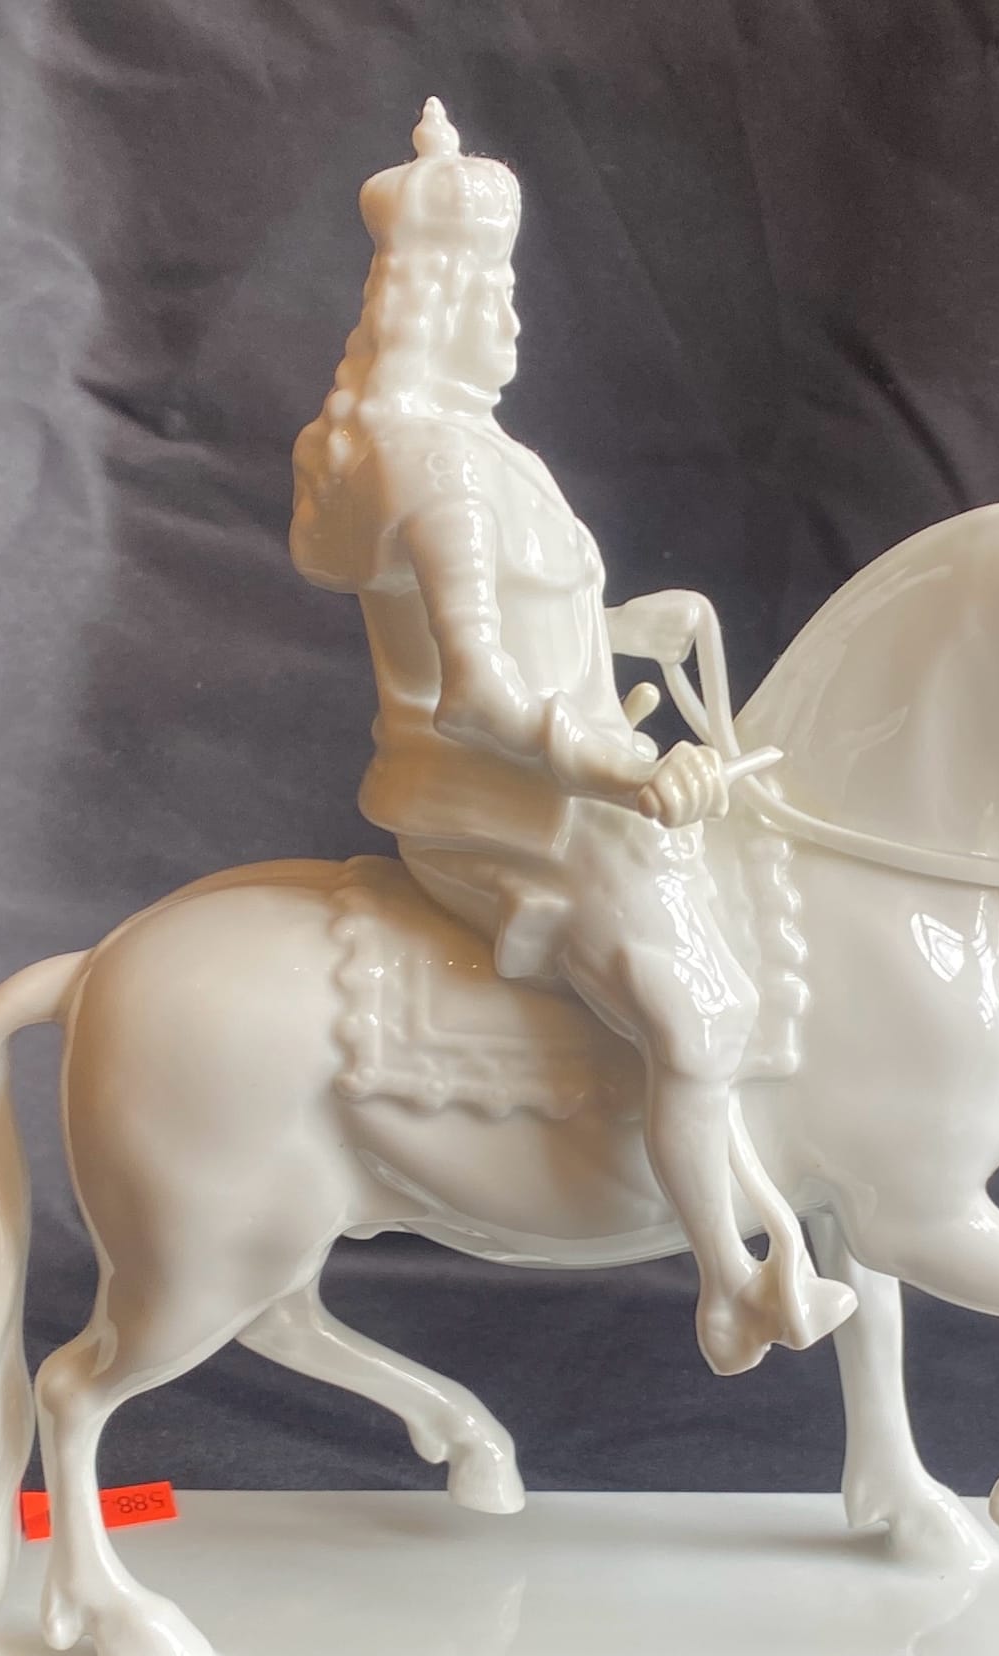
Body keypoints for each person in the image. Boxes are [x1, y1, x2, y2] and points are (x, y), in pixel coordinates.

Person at [289, 100, 855, 1372]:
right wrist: (625, 766)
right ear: (437, 302)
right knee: (698, 1015)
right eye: (491, 293)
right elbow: (477, 695)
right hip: (495, 802)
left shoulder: (487, 451)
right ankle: (728, 1287)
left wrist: (629, 627)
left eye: (511, 291)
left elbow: (533, 627)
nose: (512, 319)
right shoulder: (436, 472)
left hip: (552, 777)